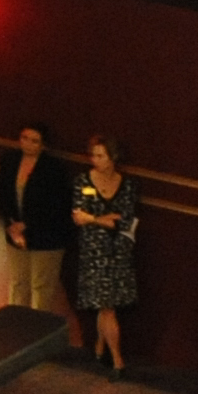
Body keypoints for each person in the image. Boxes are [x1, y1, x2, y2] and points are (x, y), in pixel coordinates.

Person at [71, 134, 142, 374]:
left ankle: (100, 348)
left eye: (101, 155)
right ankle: (118, 361)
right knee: (106, 306)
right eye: (93, 155)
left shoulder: (128, 185)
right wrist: (100, 219)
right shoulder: (84, 181)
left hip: (119, 252)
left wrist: (93, 218)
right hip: (94, 252)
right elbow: (79, 217)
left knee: (106, 305)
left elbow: (123, 221)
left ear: (113, 158)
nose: (95, 160)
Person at [0, 121, 79, 315]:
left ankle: (36, 333)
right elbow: (0, 193)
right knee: (18, 283)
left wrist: (27, 225)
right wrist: (11, 224)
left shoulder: (53, 168)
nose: (28, 144)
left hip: (47, 237)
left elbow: (57, 205)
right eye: (24, 138)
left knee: (41, 286)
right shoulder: (9, 160)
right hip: (15, 232)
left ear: (43, 145)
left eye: (34, 141)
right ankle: (15, 328)